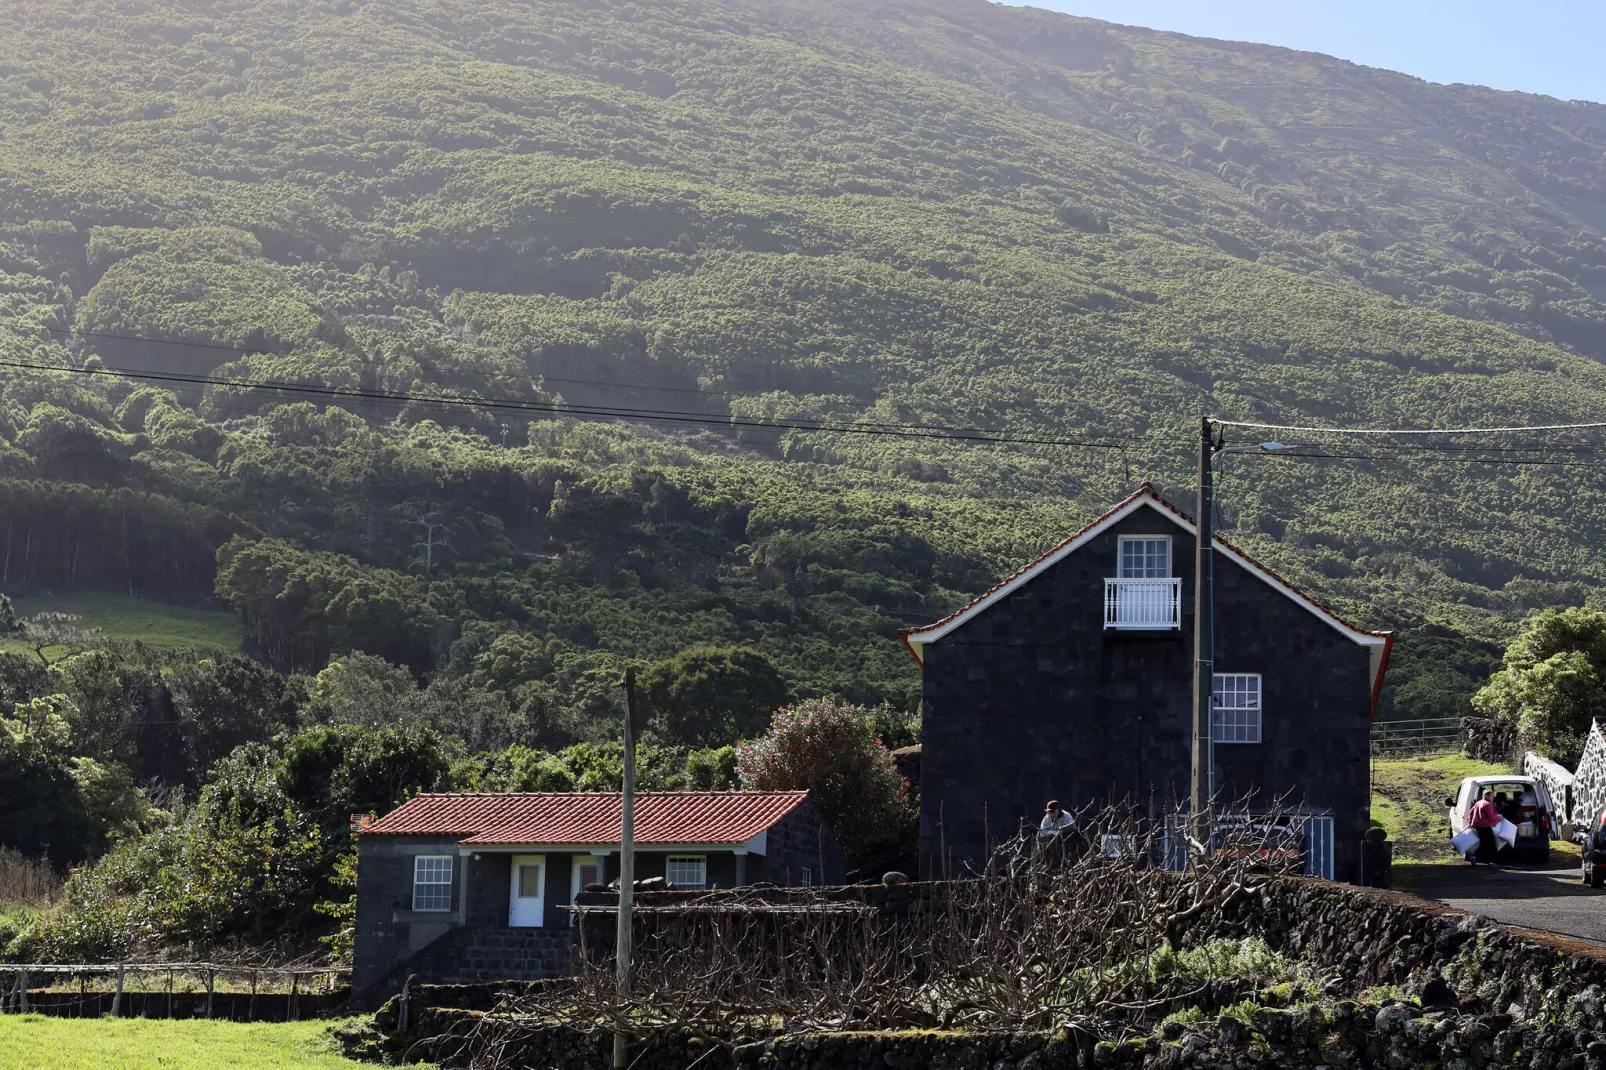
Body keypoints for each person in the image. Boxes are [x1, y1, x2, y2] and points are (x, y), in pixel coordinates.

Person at [1467, 788, 1502, 866]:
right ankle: (1491, 861)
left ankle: (1474, 856)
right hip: (1485, 826)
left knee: (1484, 843)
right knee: (1491, 844)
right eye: (1492, 796)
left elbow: (1470, 813)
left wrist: (1470, 822)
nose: (1493, 798)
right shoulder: (1487, 804)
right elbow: (1491, 816)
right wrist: (1499, 819)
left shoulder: (1478, 803)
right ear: (1486, 796)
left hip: (1477, 826)